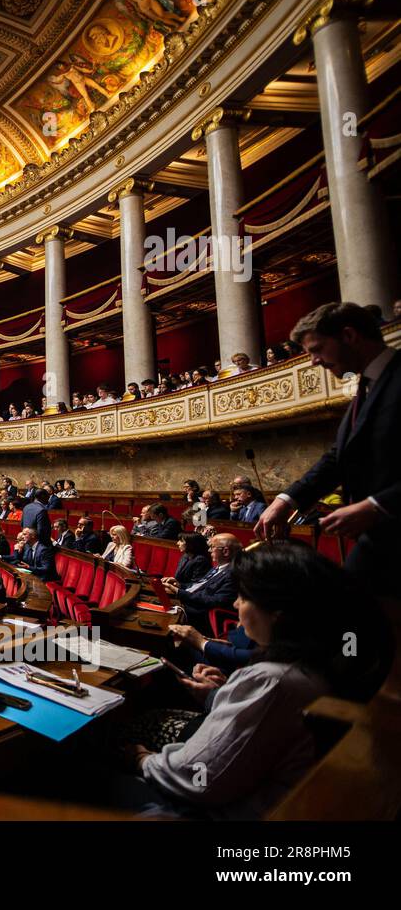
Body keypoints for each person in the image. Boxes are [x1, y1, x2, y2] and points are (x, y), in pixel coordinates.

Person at [121, 542, 377, 818]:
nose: (235, 604)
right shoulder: (323, 660)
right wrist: (219, 694)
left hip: (217, 811)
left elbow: (199, 778)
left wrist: (141, 760)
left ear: (277, 614)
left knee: (93, 770)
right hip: (248, 791)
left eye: (243, 596)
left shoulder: (274, 681)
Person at [257, 302, 399, 590]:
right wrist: (287, 500)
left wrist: (376, 506)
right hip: (380, 540)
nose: (313, 361)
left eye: (317, 349)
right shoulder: (366, 386)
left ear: (349, 336)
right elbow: (339, 457)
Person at [176, 533, 243, 631]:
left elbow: (215, 601)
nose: (209, 550)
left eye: (212, 547)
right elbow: (199, 585)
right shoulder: (217, 568)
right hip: (191, 603)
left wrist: (180, 593)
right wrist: (180, 585)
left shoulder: (232, 574)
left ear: (225, 551)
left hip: (201, 615)